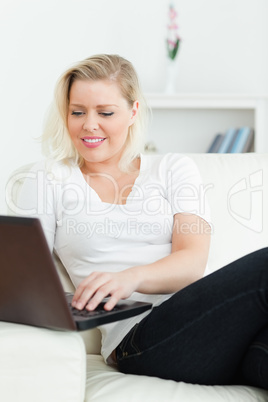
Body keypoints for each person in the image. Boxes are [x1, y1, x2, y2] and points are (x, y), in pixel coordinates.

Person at [15, 54, 268, 389]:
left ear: (133, 112)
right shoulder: (49, 178)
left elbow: (192, 261)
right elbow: (24, 276)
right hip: (138, 340)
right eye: (77, 112)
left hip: (212, 334)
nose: (89, 124)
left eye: (105, 112)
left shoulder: (173, 169)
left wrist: (129, 278)